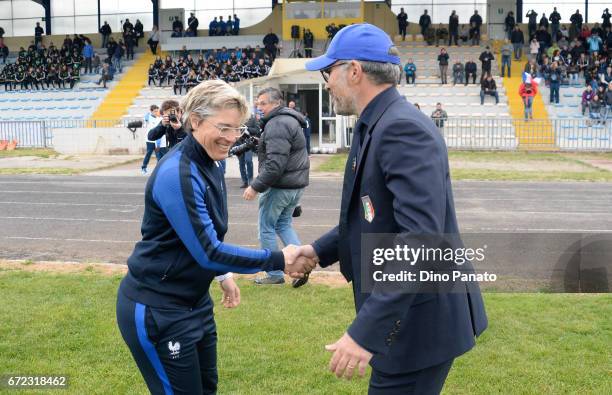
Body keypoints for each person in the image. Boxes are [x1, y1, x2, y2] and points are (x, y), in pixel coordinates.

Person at [302, 24, 487, 392]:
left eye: (328, 73)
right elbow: (371, 217)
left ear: (354, 71)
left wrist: (365, 331)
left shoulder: (401, 128)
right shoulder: (375, 124)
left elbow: (420, 239)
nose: (326, 84)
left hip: (419, 327)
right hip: (406, 321)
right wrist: (316, 252)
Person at [116, 80, 315, 395]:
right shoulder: (178, 173)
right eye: (224, 127)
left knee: (208, 389)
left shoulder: (211, 162)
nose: (231, 138)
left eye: (236, 129)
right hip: (158, 308)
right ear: (195, 120)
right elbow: (208, 251)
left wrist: (223, 275)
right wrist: (279, 259)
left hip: (195, 303)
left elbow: (203, 233)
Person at [242, 87, 310, 285]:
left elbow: (275, 165)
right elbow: (282, 154)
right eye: (258, 102)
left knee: (266, 228)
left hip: (280, 186)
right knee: (283, 224)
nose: (258, 106)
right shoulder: (288, 120)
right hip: (295, 185)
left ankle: (274, 274)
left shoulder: (277, 124)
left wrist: (255, 186)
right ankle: (302, 267)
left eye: (263, 103)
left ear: (276, 103)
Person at [236, 112, 259, 188]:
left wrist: (247, 129)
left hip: (248, 144)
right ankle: (244, 181)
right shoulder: (238, 119)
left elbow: (257, 130)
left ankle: (250, 181)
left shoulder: (252, 119)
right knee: (241, 163)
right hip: (239, 143)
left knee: (248, 161)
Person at [141, 105, 162, 175]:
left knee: (158, 155)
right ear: (151, 111)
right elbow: (145, 119)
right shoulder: (148, 117)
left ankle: (159, 170)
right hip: (150, 140)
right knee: (148, 154)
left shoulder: (159, 118)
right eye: (155, 111)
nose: (156, 112)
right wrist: (148, 114)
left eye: (157, 111)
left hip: (158, 140)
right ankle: (143, 168)